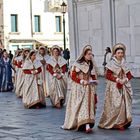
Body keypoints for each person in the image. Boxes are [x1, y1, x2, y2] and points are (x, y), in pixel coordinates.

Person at [62, 45, 98, 133]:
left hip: (89, 88)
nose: (90, 56)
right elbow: (73, 76)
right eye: (89, 54)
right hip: (79, 88)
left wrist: (94, 81)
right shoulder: (77, 64)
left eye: (91, 54)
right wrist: (81, 81)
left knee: (88, 106)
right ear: (84, 54)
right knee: (80, 105)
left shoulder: (91, 64)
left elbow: (93, 76)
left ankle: (87, 125)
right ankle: (84, 124)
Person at [98, 43, 133, 130]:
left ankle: (122, 122)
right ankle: (115, 122)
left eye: (122, 53)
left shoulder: (124, 62)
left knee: (124, 104)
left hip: (124, 86)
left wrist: (125, 80)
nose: (121, 54)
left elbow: (129, 75)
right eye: (119, 53)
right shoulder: (111, 63)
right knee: (116, 104)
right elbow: (108, 75)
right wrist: (117, 80)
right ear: (115, 54)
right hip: (114, 86)